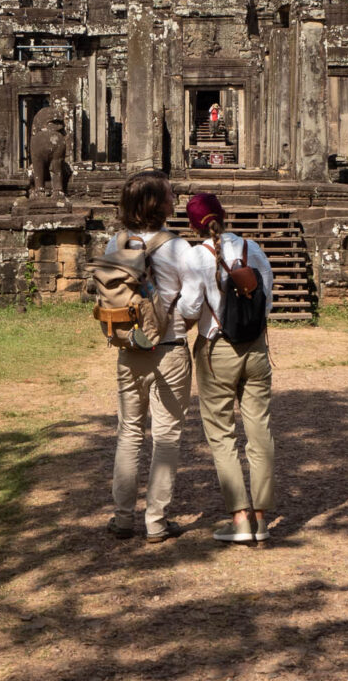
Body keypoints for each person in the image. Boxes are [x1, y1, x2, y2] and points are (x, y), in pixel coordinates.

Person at [105, 170, 202, 543]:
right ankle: (156, 521)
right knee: (165, 437)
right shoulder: (178, 248)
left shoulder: (116, 242)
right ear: (156, 204)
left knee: (128, 432)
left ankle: (123, 518)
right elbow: (193, 301)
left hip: (130, 348)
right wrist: (182, 323)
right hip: (169, 350)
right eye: (169, 195)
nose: (175, 200)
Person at [185, 191, 276, 543]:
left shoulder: (196, 257)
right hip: (255, 348)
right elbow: (266, 297)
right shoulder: (252, 249)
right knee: (260, 430)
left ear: (194, 225)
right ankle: (262, 517)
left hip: (216, 349)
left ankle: (239, 518)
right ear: (224, 214)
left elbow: (192, 308)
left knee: (222, 435)